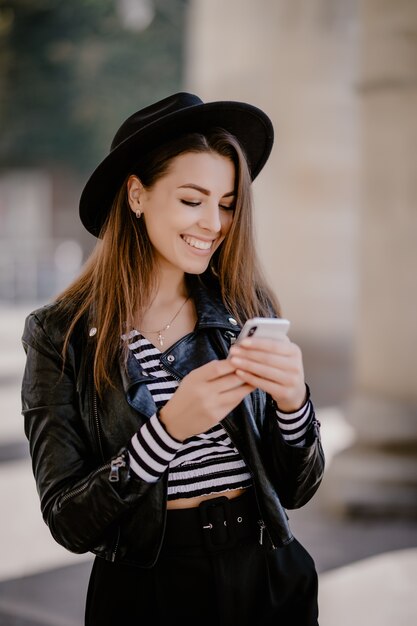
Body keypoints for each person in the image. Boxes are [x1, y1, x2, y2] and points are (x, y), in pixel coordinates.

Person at [21, 92, 324, 626]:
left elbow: (297, 490)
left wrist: (293, 405)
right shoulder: (60, 336)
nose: (214, 223)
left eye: (227, 203)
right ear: (137, 195)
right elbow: (69, 521)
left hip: (268, 578)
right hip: (149, 591)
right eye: (192, 200)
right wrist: (168, 430)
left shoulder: (244, 308)